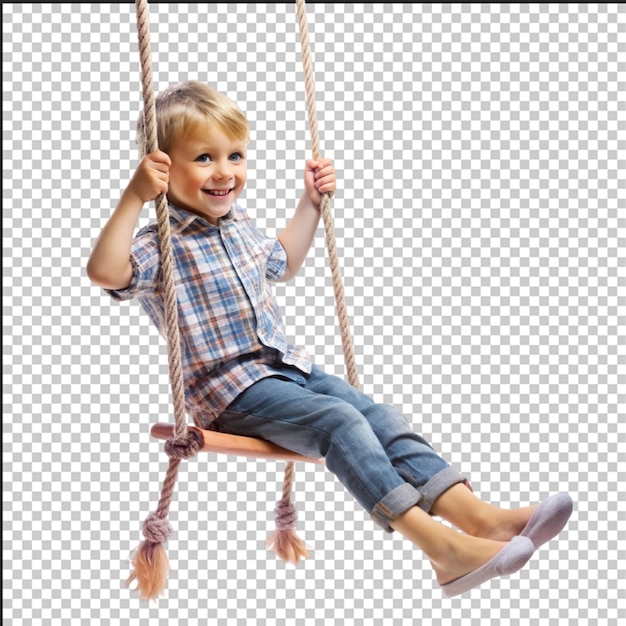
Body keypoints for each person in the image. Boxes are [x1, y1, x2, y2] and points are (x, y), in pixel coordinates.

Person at [87, 80, 572, 597]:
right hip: (229, 391)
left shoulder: (239, 223)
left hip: (289, 371)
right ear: (160, 165)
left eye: (235, 155)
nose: (225, 171)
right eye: (203, 158)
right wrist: (135, 198)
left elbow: (284, 261)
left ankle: (479, 519)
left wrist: (311, 203)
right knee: (338, 421)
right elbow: (106, 272)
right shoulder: (160, 242)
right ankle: (440, 548)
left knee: (378, 413)